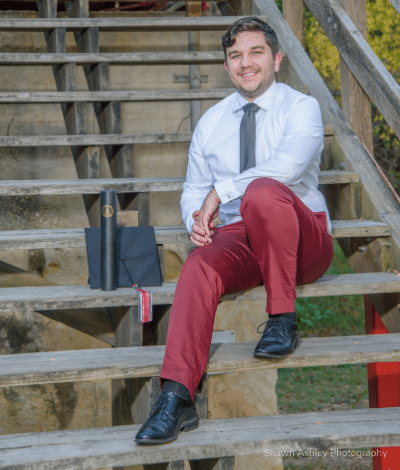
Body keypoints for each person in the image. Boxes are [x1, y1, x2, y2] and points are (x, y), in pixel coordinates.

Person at [135, 16, 333, 445]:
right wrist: (196, 219)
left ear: (277, 60)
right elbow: (192, 189)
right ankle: (177, 395)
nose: (246, 63)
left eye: (256, 52)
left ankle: (282, 318)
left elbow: (288, 168)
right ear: (227, 67)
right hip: (239, 239)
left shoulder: (302, 107)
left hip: (302, 238)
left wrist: (221, 191)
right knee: (200, 267)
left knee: (262, 191)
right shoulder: (211, 121)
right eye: (235, 56)